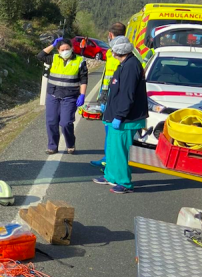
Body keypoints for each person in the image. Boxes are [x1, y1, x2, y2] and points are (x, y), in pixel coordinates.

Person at [93, 37, 148, 194]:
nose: (111, 52)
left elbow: (127, 95)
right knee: (111, 149)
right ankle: (110, 175)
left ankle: (124, 183)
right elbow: (115, 89)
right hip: (114, 115)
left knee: (119, 151)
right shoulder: (123, 65)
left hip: (125, 119)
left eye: (113, 49)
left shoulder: (131, 66)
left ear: (119, 50)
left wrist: (120, 116)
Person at [37, 38, 88, 154]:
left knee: (66, 123)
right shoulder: (54, 58)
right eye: (62, 49)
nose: (65, 51)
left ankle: (70, 143)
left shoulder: (80, 61)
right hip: (53, 95)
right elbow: (40, 56)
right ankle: (52, 146)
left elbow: (84, 79)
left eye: (67, 49)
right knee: (51, 122)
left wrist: (82, 94)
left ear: (72, 48)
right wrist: (52, 45)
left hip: (70, 96)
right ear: (58, 51)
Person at [91, 22, 127, 169]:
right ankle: (108, 158)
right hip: (109, 97)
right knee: (110, 131)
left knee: (112, 132)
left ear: (110, 35)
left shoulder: (116, 52)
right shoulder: (118, 51)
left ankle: (110, 162)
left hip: (115, 98)